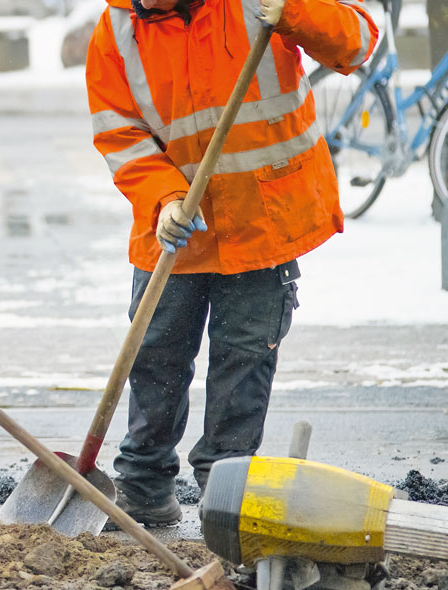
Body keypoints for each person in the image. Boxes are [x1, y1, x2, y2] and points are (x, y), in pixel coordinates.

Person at [85, 0, 377, 527]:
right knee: (155, 356)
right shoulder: (116, 30)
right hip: (177, 225)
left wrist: (295, 12)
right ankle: (144, 487)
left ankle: (226, 492)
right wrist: (163, 198)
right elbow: (119, 132)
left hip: (264, 217)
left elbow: (356, 42)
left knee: (243, 361)